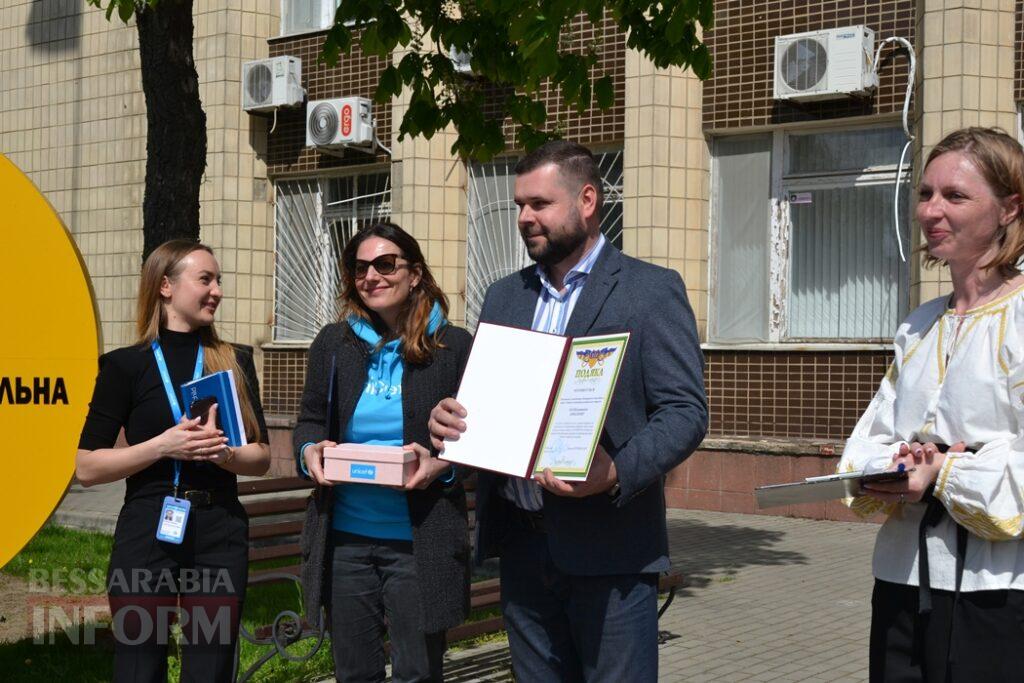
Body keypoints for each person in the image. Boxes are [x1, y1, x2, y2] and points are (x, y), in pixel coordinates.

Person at [428, 140, 708, 681]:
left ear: (587, 200)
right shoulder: (504, 296)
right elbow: (490, 402)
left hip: (611, 550)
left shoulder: (650, 291)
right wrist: (453, 423)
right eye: (519, 205)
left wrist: (616, 471)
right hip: (522, 548)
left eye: (540, 204)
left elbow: (685, 412)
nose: (525, 218)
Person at [840, 127, 1024, 681]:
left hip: (997, 592)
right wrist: (898, 467)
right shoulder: (918, 325)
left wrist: (943, 471)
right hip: (901, 581)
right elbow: (866, 443)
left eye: (955, 196)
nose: (930, 211)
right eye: (925, 193)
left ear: (1010, 208)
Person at [76, 239, 271, 682]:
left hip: (219, 530)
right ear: (165, 286)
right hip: (149, 526)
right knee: (139, 666)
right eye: (205, 279)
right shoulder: (124, 366)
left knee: (210, 668)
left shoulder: (234, 360)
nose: (217, 290)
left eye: (219, 280)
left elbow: (260, 457)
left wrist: (224, 454)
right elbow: (86, 467)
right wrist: (163, 446)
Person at [295, 222, 472, 682]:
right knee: (354, 673)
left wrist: (441, 468)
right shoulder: (334, 343)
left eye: (385, 264)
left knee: (417, 673)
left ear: (415, 274)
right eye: (360, 268)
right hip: (346, 539)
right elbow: (310, 420)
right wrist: (310, 451)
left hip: (418, 541)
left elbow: (476, 440)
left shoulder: (452, 346)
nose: (371, 276)